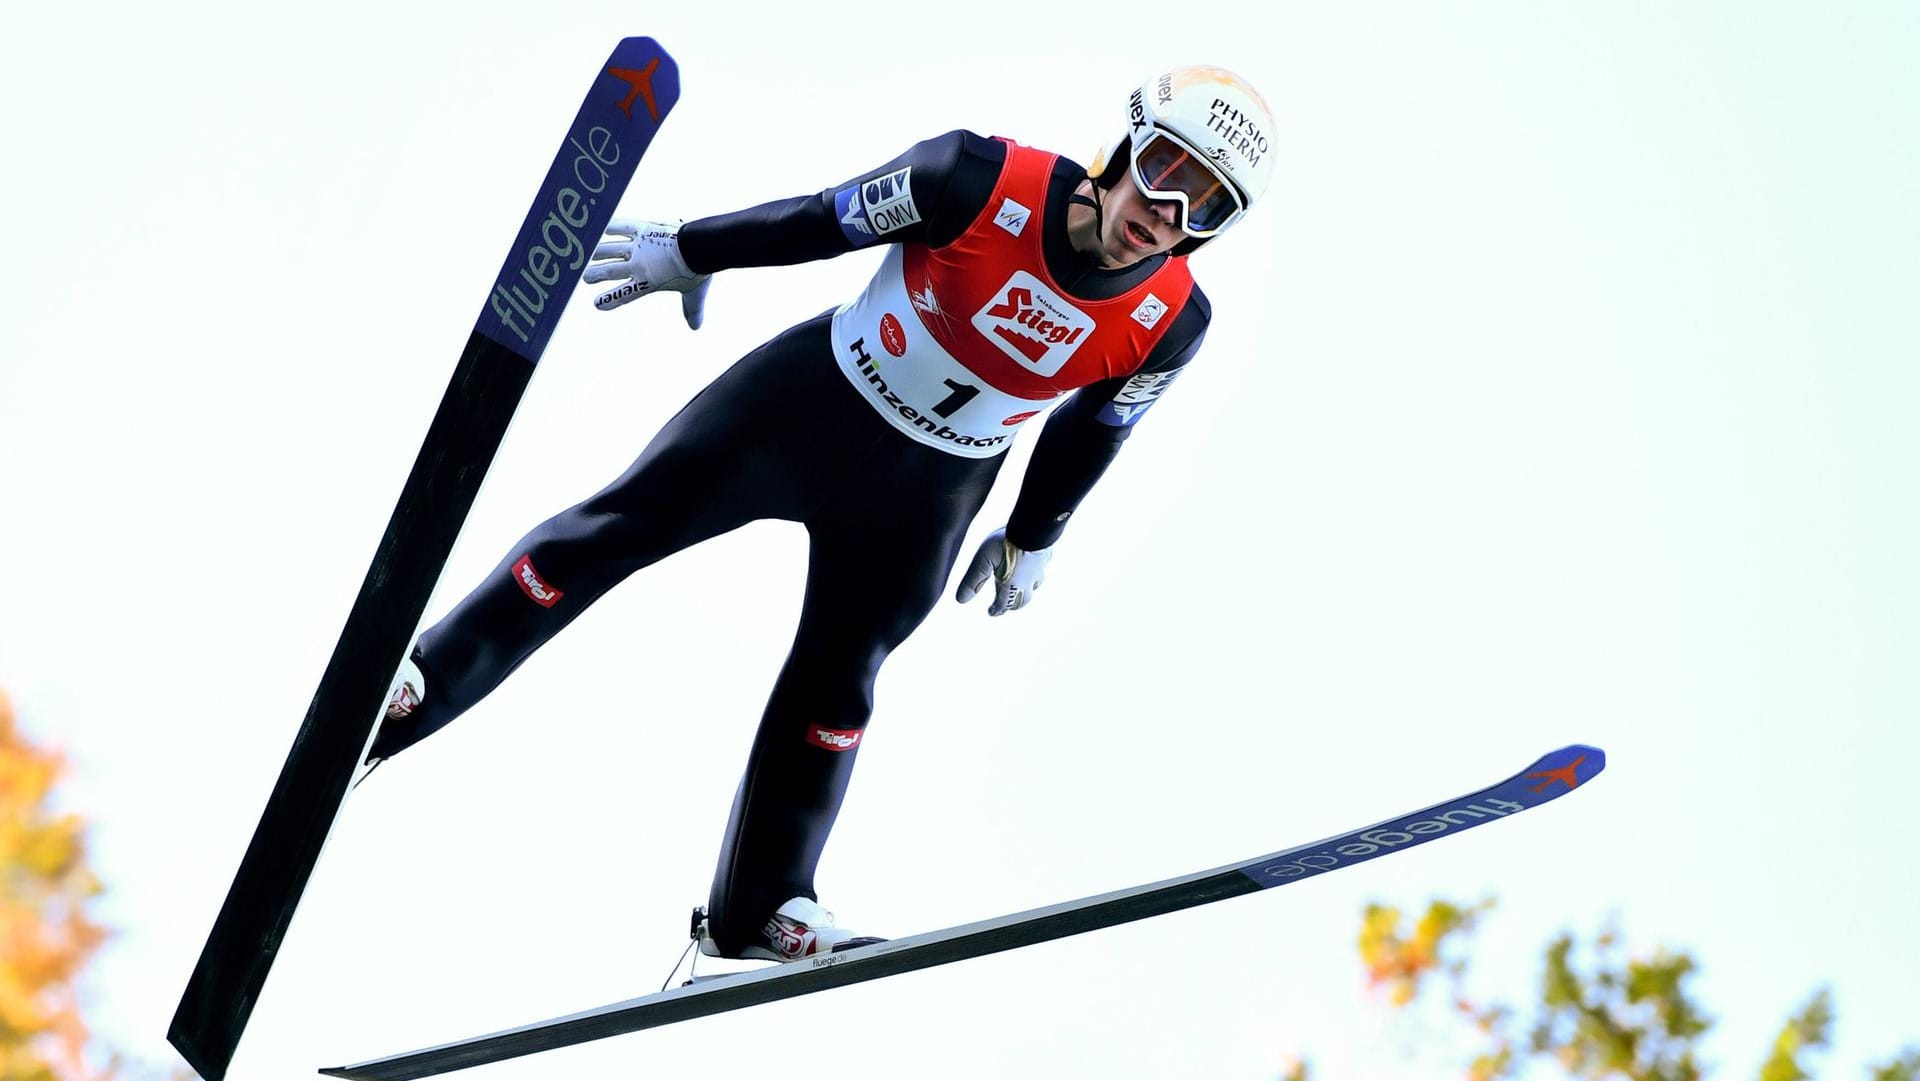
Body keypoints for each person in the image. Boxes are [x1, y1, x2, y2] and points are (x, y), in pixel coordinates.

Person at [366, 65, 1277, 963]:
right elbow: (821, 218)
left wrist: (1038, 532)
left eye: (1208, 208)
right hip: (805, 406)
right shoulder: (970, 176)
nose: (1168, 215)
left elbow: (1096, 428)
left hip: (929, 495)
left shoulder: (1175, 323)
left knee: (842, 682)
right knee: (621, 525)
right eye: (1167, 174)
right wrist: (690, 248)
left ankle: (760, 909)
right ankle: (418, 685)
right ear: (1125, 146)